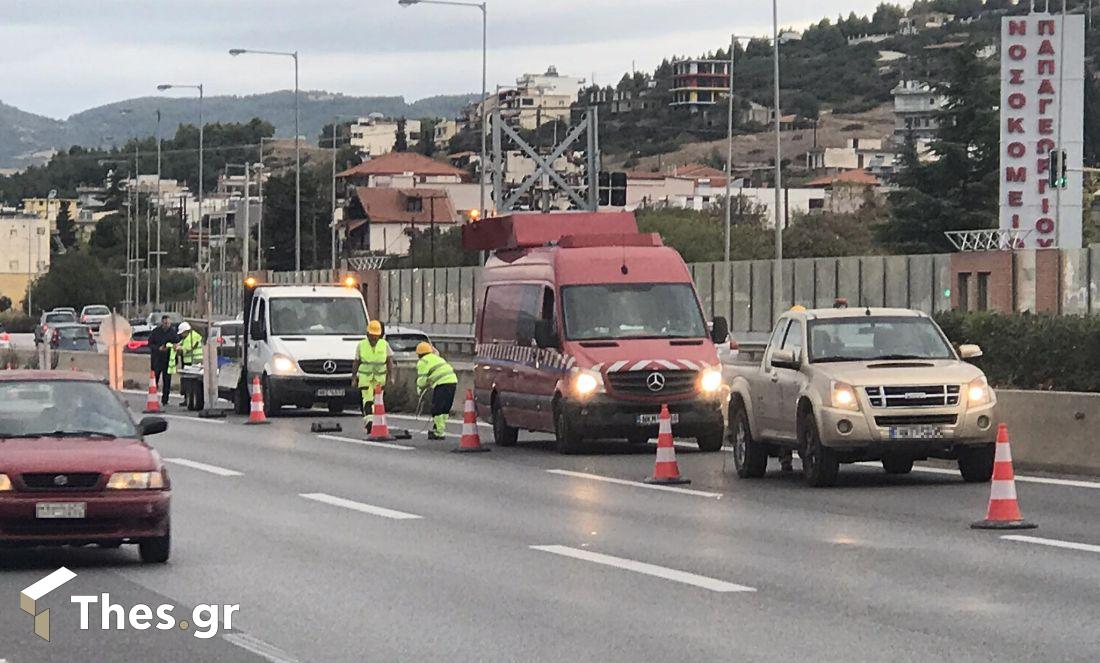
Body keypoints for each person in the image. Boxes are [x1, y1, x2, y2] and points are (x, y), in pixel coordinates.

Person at [351, 320, 392, 431]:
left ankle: (378, 422)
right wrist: (354, 378)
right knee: (367, 400)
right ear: (367, 334)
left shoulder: (384, 345)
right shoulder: (361, 345)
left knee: (378, 401)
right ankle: (369, 422)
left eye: (376, 336)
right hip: (365, 378)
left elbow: (389, 361)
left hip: (379, 379)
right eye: (372, 336)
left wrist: (391, 376)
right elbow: (356, 362)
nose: (374, 338)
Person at [415, 342, 458, 440]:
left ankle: (439, 432)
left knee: (437, 408)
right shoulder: (437, 358)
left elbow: (422, 380)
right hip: (453, 381)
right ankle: (439, 429)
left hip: (441, 384)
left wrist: (419, 391)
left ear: (419, 354)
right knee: (445, 408)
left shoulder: (423, 361)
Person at [147, 315, 177, 406]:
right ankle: (153, 397)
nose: (167, 325)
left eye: (168, 323)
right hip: (157, 360)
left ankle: (165, 400)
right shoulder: (156, 332)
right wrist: (158, 348)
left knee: (167, 381)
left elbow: (176, 342)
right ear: (162, 323)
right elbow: (150, 344)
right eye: (165, 323)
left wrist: (173, 347)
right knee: (154, 380)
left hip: (168, 360)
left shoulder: (172, 332)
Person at [173, 322, 204, 401]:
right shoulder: (188, 337)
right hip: (190, 361)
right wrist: (177, 346)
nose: (181, 335)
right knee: (187, 381)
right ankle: (187, 398)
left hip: (193, 361)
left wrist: (178, 348)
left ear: (186, 331)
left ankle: (188, 398)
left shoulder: (192, 337)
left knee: (190, 382)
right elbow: (182, 344)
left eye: (182, 333)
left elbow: (186, 348)